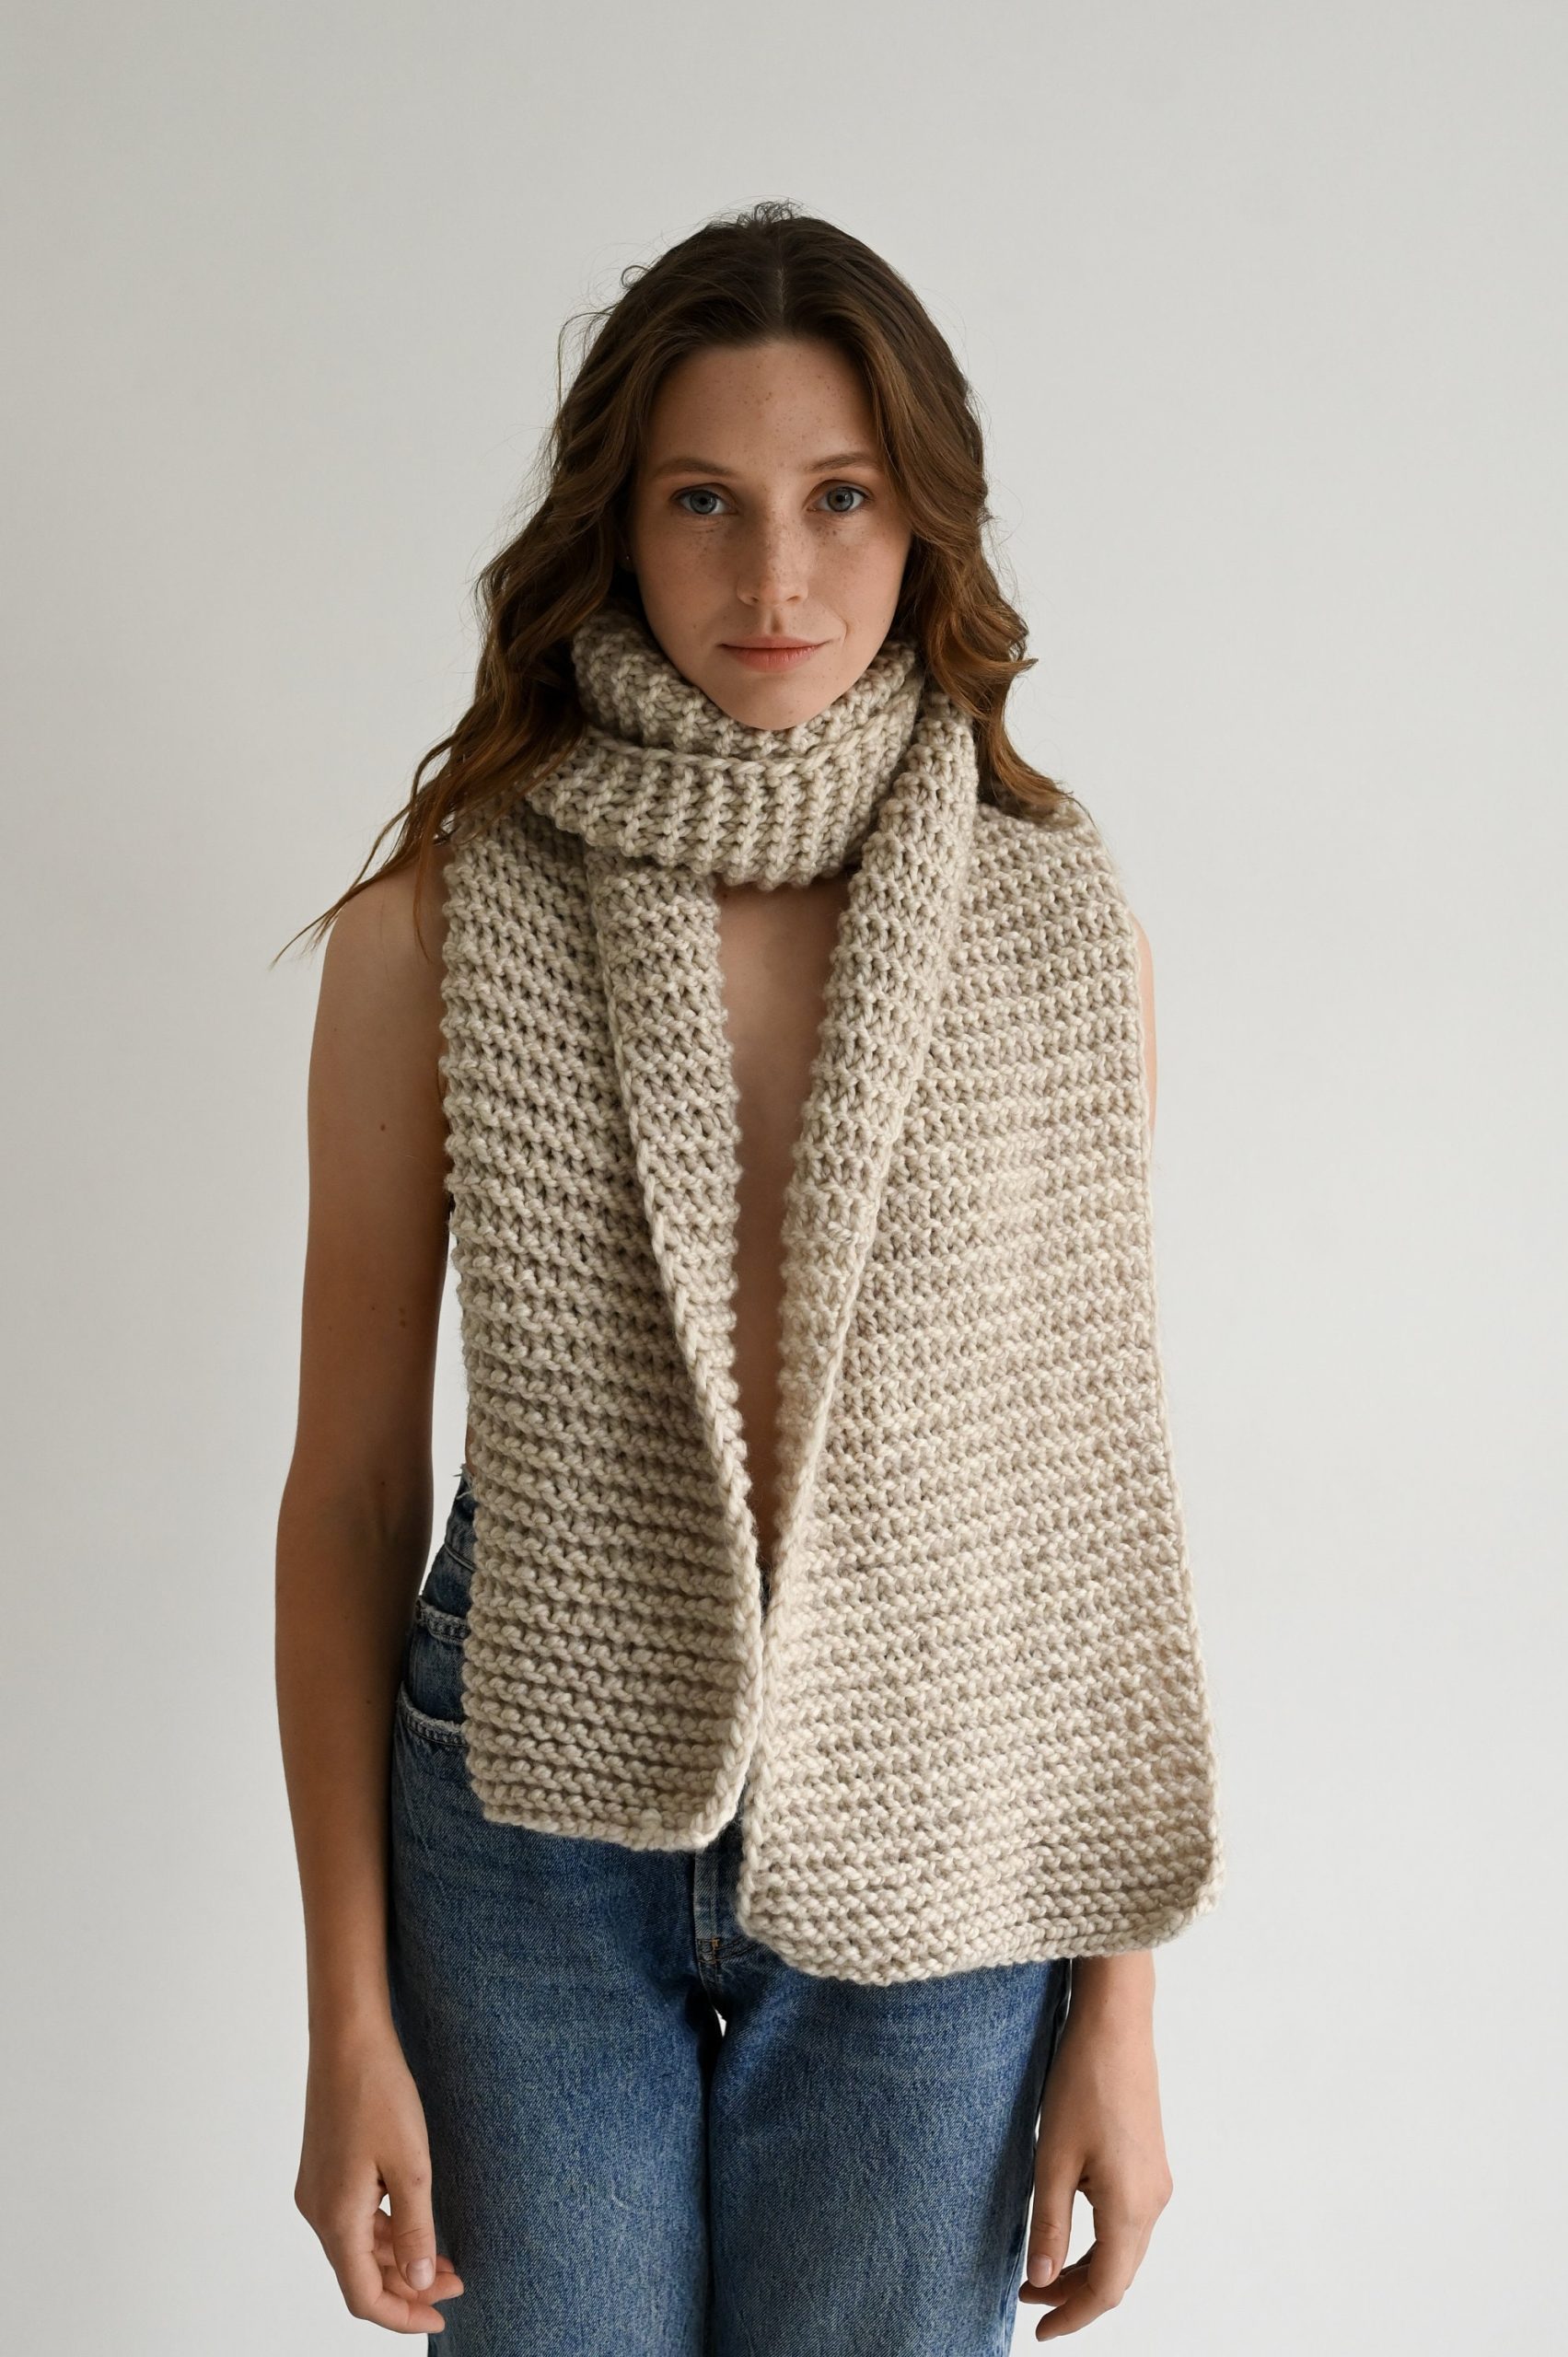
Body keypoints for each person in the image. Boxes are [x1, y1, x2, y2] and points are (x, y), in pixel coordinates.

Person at [274, 200, 1223, 2353]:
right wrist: (344, 2017)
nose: (774, 576)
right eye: (704, 500)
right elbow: (350, 1488)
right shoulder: (439, 926)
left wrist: (1121, 2016)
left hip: (941, 1799)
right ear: (617, 526)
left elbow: (1080, 1513)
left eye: (840, 498)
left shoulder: (1061, 928)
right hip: (525, 1808)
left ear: (924, 521)